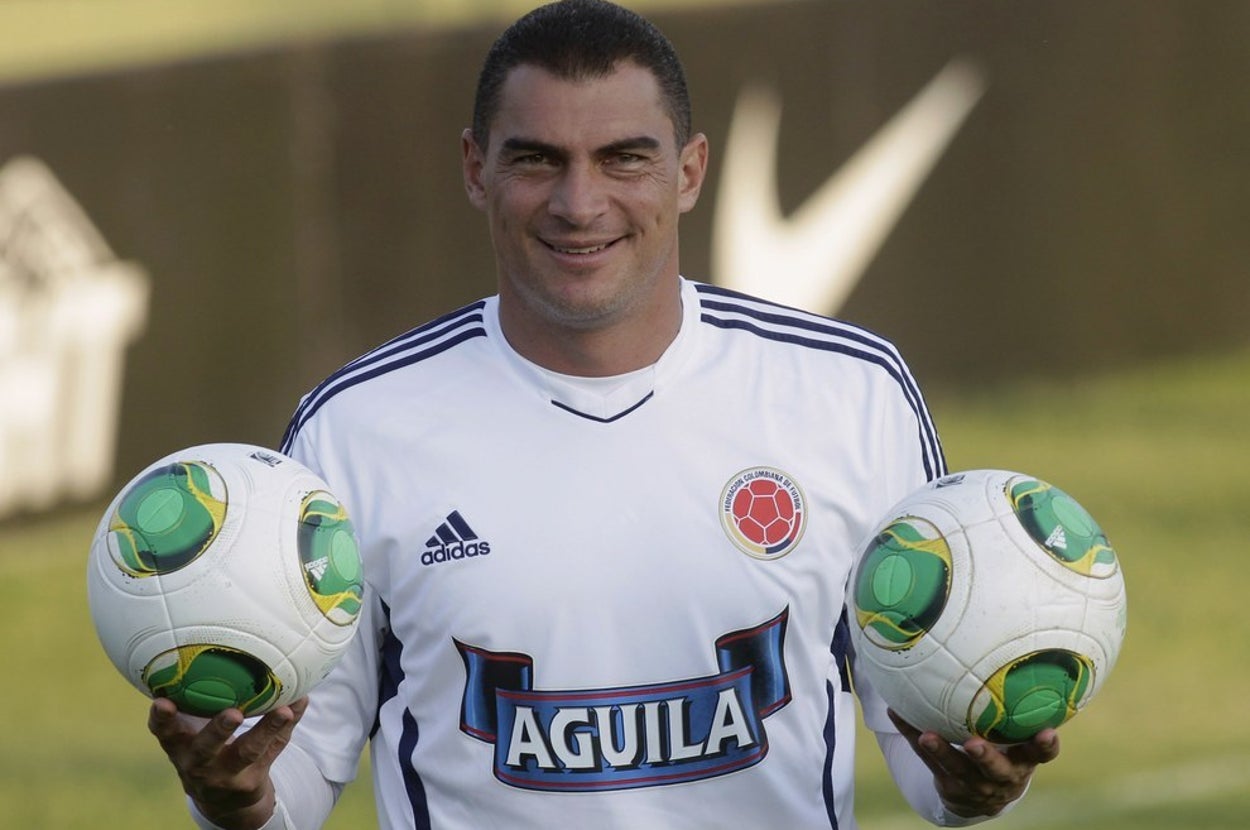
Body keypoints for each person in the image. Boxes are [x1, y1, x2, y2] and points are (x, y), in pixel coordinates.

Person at [148, 1, 1059, 827]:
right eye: (536, 159)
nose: (579, 204)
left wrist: (974, 785)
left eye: (624, 157)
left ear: (690, 171)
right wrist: (235, 797)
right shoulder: (355, 430)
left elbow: (923, 730)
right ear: (475, 169)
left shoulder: (852, 393)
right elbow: (297, 766)